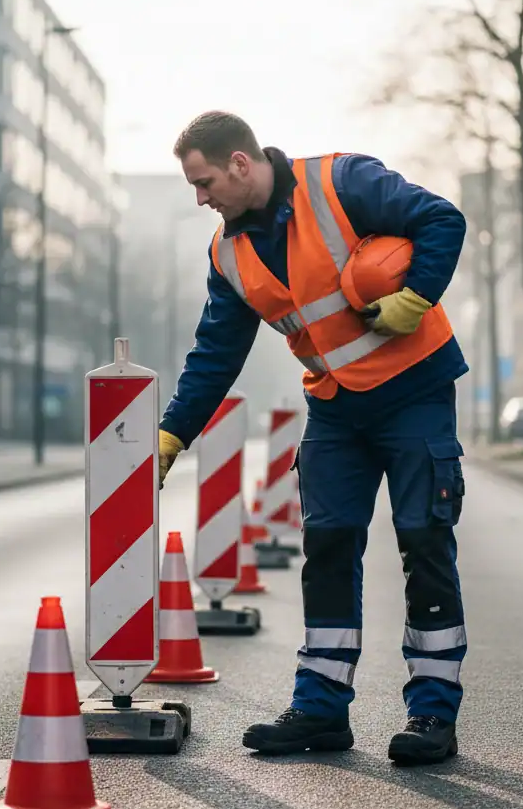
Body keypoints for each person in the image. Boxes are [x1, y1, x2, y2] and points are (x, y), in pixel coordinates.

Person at [157, 111, 469, 765]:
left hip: (413, 392)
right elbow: (215, 353)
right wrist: (172, 435)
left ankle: (432, 717)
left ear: (241, 163)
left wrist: (416, 295)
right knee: (326, 547)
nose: (201, 197)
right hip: (335, 408)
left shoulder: (341, 182)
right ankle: (323, 707)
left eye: (205, 180)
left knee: (424, 542)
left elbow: (442, 218)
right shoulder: (229, 254)